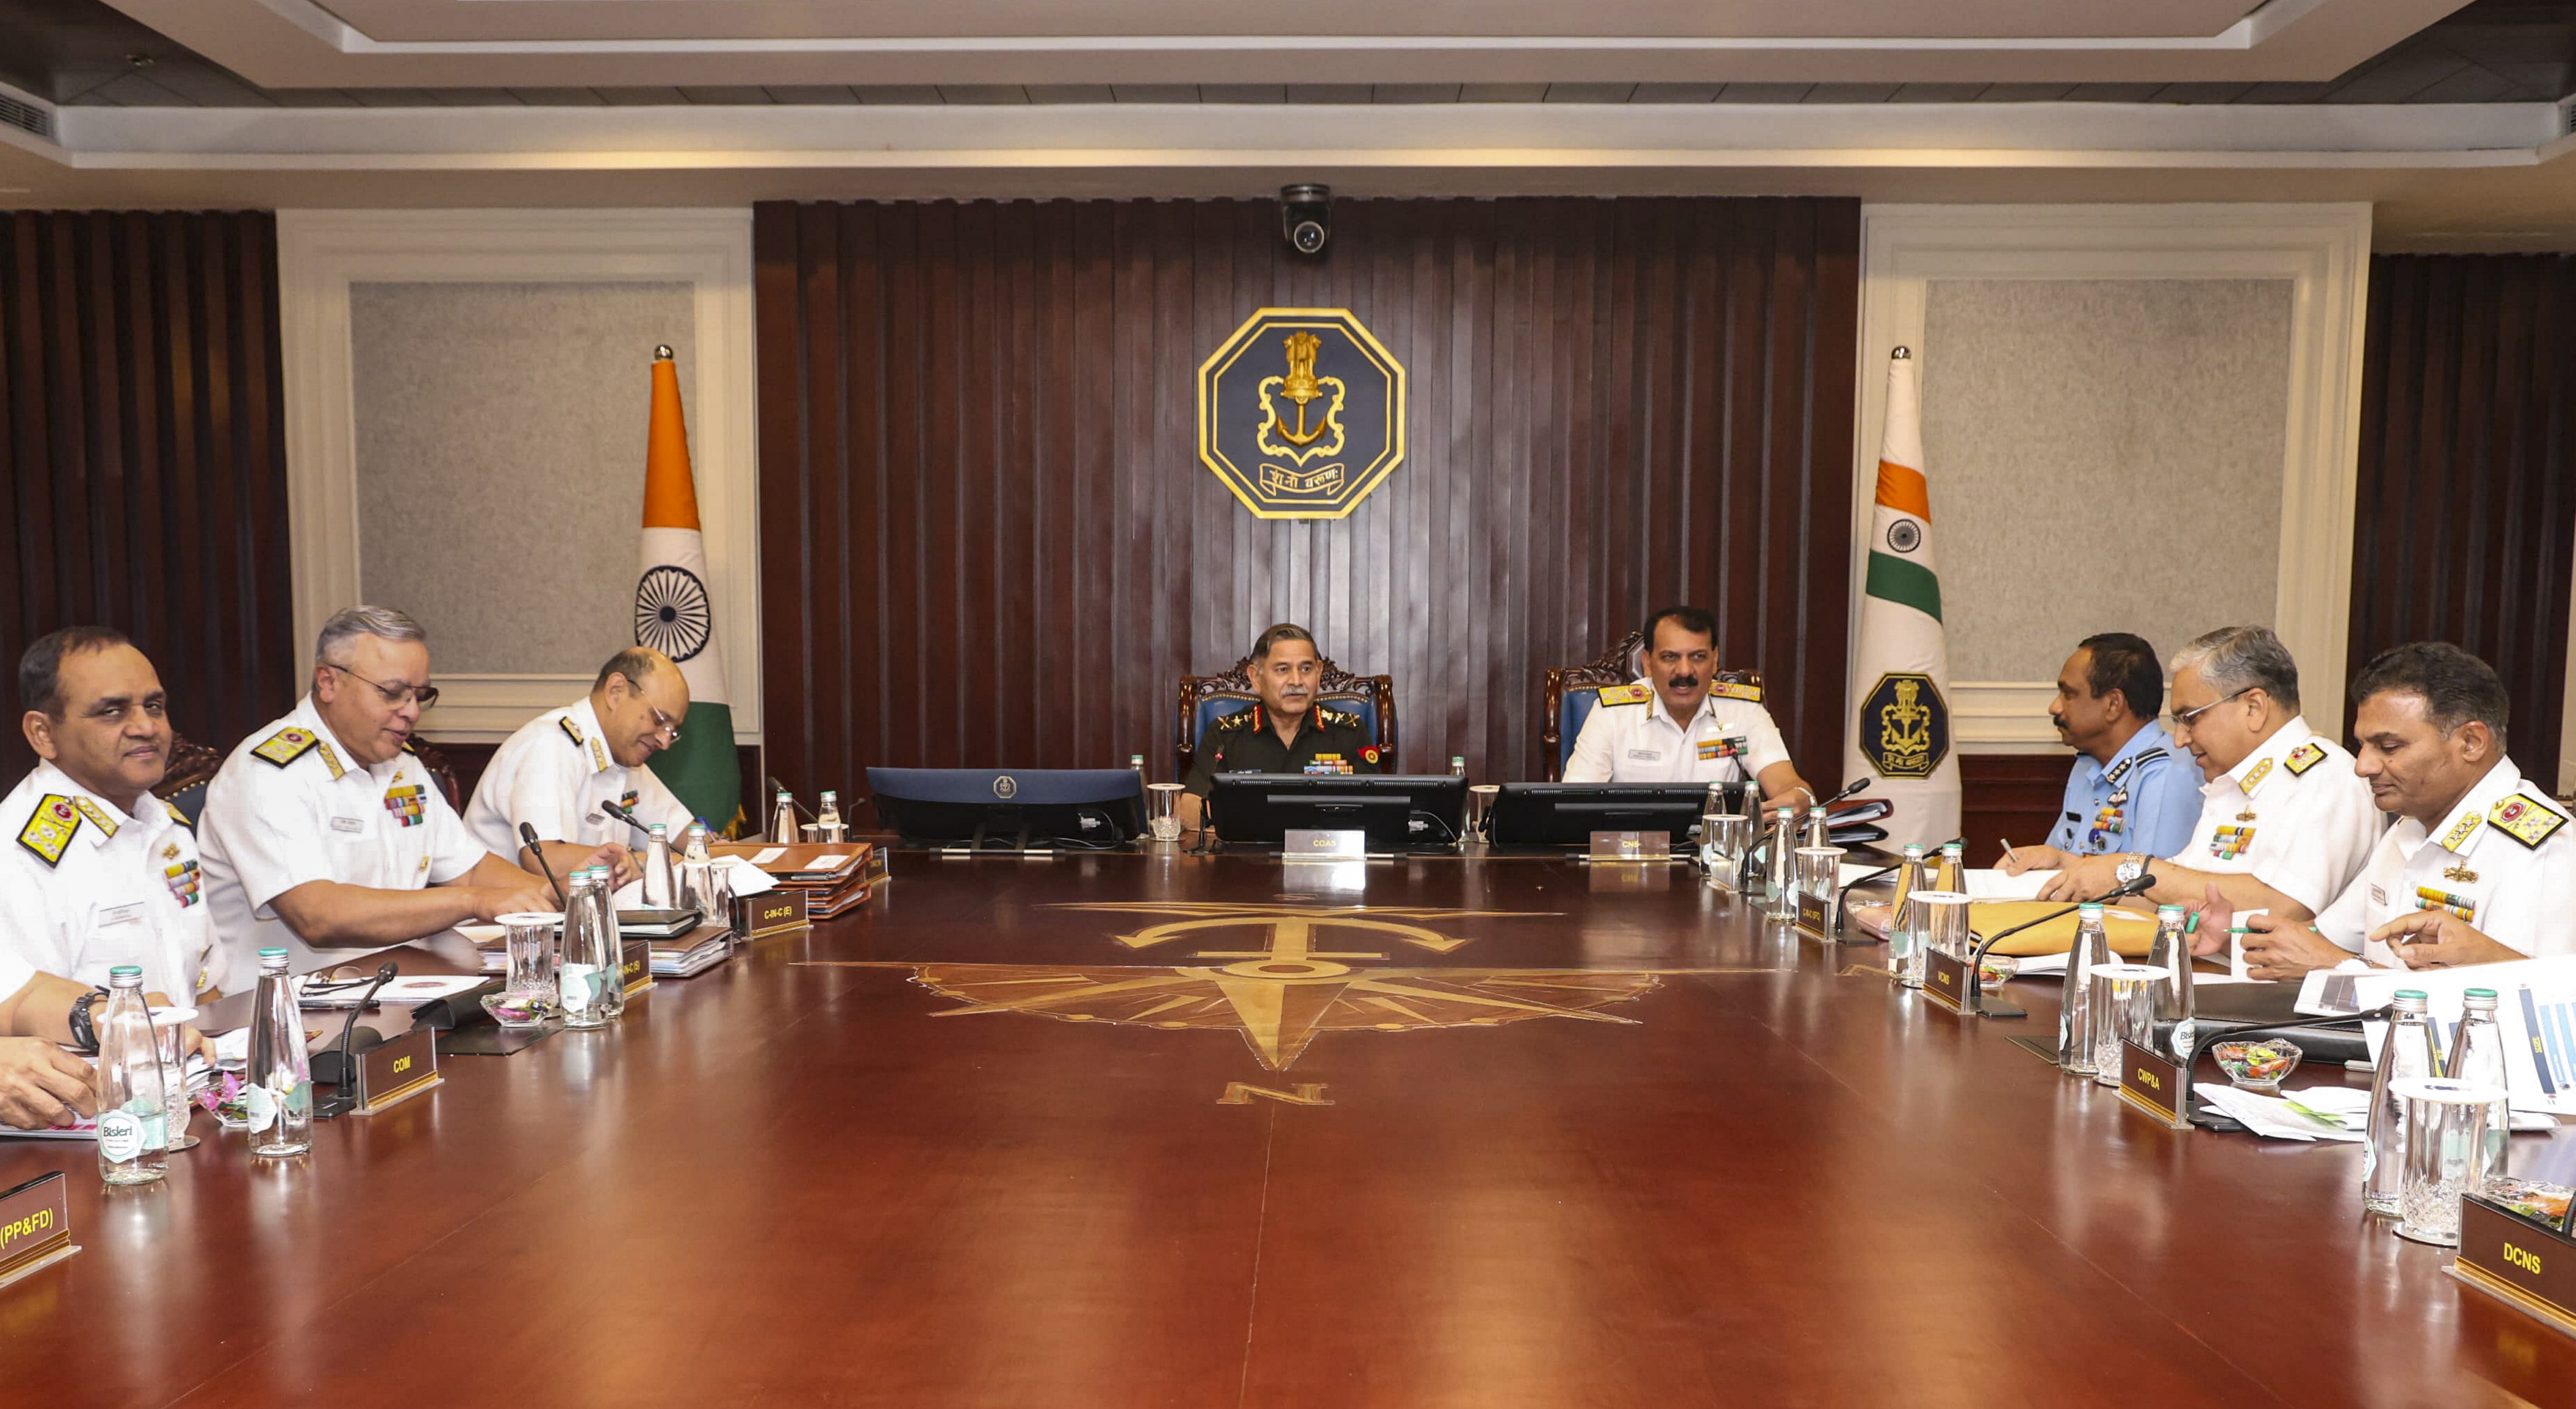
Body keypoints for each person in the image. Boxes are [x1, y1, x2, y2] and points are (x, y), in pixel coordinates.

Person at [199, 606, 614, 976]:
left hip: (395, 986)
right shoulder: (267, 773)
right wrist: (473, 902)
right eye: (393, 693)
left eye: (420, 696)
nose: (412, 712)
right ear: (328, 682)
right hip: (285, 1010)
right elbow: (318, 917)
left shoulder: (400, 764)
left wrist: (555, 890)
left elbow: (468, 869)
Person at [2234, 643, 2574, 979]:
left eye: (2389, 747)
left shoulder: (2544, 849)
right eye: (2362, 745)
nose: (2363, 766)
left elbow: (2540, 1002)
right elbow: (2326, 938)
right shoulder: (2410, 826)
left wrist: (2340, 968)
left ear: (2471, 743)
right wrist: (2232, 934)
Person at [2007, 625, 2381, 921]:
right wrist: (2071, 870)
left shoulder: (2326, 778)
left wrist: (2128, 867)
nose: (2181, 739)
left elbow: (2283, 908)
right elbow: (2164, 893)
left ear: (2253, 707)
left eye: (2190, 718)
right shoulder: (2233, 784)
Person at [0, 627, 227, 1006]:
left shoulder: (164, 826)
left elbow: (203, 988)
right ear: (43, 734)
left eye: (153, 706)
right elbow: (20, 1016)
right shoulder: (18, 855)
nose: (147, 728)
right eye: (112, 712)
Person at [1561, 605, 1818, 809]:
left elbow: (1787, 785)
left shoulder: (1743, 711)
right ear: (1648, 662)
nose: (1684, 671)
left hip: (1716, 851)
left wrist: (1800, 798)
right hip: (1633, 850)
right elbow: (1575, 801)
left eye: (1698, 657)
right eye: (1670, 657)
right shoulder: (1612, 714)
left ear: (1715, 660)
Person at [464, 646, 690, 877]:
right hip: (500, 899)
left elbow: (694, 840)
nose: (665, 742)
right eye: (659, 720)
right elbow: (545, 860)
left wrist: (690, 855)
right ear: (616, 692)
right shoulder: (551, 744)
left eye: (672, 731)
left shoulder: (624, 757)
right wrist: (644, 863)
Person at [1997, 634, 2201, 866]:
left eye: (2069, 694)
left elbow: (2150, 881)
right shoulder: (2088, 764)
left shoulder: (2167, 771)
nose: (2054, 708)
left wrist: (2062, 863)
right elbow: (2055, 857)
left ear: (2113, 705)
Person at [1177, 623, 1383, 833]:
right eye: (1283, 670)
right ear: (1256, 678)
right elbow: (1190, 810)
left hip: (1324, 850)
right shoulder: (1226, 734)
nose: (1296, 681)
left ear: (1319, 672)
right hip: (1248, 853)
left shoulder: (1350, 731)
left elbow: (1376, 811)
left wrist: (1251, 815)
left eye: (1306, 669)